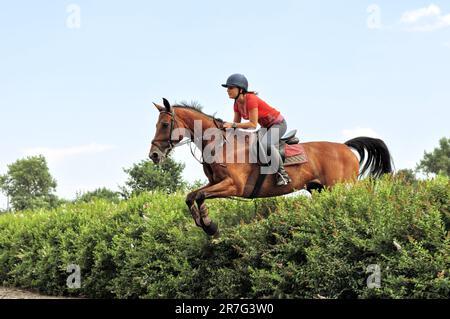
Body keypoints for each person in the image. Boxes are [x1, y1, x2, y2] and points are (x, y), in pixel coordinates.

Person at [222, 73, 292, 186]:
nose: (227, 90)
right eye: (227, 88)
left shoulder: (251, 99)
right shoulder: (236, 104)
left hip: (278, 124)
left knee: (265, 144)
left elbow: (253, 125)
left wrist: (232, 125)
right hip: (265, 127)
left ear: (240, 89)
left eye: (230, 87)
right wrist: (223, 131)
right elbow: (236, 125)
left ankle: (282, 175)